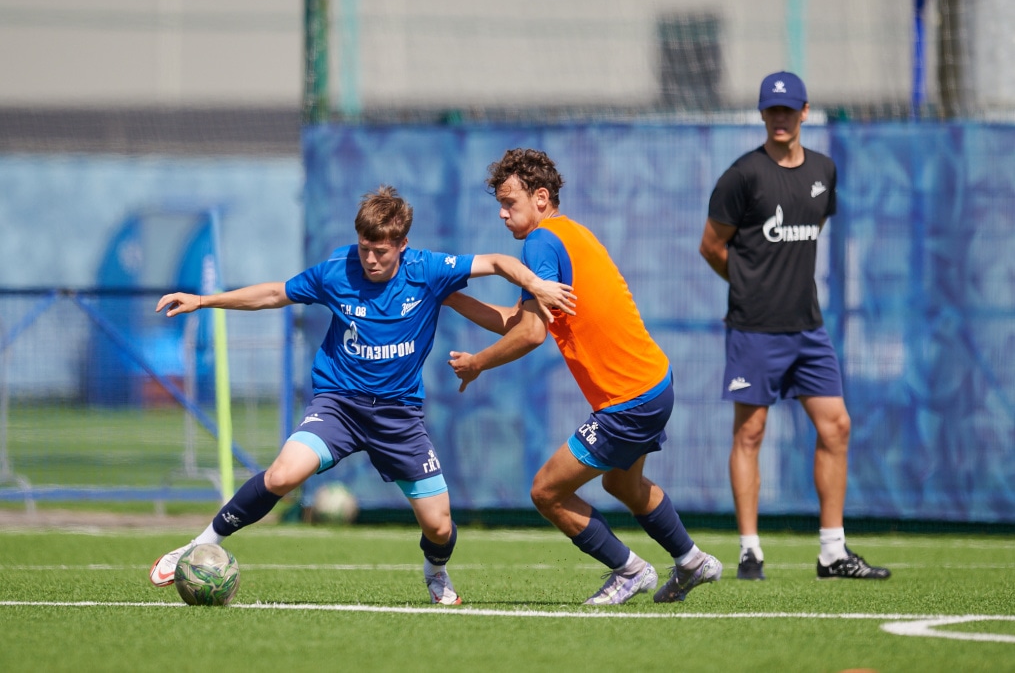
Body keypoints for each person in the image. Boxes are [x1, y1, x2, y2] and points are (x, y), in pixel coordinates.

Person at [148, 185, 576, 605]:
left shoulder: (429, 269)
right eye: (364, 247)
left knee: (440, 528)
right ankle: (195, 546)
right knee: (282, 475)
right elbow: (275, 293)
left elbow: (500, 261)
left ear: (403, 245)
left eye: (381, 251)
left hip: (398, 417)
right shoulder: (338, 271)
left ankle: (436, 573)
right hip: (339, 405)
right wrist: (203, 300)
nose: (370, 259)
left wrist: (538, 286)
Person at [444, 148, 722, 605]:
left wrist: (477, 363)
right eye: (498, 202)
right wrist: (453, 299)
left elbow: (532, 335)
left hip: (627, 399)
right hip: (655, 383)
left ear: (540, 197)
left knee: (547, 491)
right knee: (622, 485)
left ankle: (629, 571)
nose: (501, 212)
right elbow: (520, 320)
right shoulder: (569, 233)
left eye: (509, 202)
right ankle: (691, 560)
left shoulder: (540, 242)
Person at [699, 71, 890, 581]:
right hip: (754, 327)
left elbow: (811, 232)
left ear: (804, 113)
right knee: (752, 432)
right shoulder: (742, 176)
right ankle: (749, 550)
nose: (779, 118)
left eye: (788, 110)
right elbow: (711, 246)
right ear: (763, 115)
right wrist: (748, 284)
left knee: (837, 426)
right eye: (771, 110)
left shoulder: (824, 171)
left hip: (808, 326)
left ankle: (832, 551)